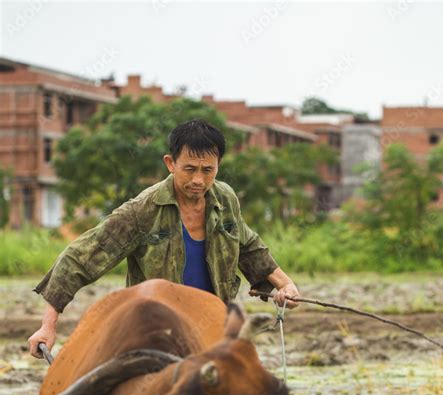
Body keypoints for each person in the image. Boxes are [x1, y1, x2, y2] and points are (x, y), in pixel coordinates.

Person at [28, 119, 300, 358]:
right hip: (156, 331)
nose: (198, 180)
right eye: (189, 169)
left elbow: (249, 246)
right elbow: (80, 258)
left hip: (214, 325)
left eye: (208, 170)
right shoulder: (142, 210)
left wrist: (284, 284)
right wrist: (47, 325)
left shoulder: (225, 198)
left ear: (218, 166)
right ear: (171, 163)